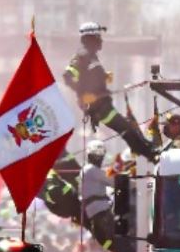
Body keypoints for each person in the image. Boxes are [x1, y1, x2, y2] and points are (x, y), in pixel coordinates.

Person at [63, 22, 158, 162]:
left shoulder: (91, 56)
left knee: (127, 128)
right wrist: (84, 94)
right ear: (90, 38)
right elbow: (68, 76)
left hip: (102, 104)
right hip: (98, 107)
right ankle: (150, 154)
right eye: (98, 37)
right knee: (126, 129)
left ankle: (149, 150)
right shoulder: (82, 56)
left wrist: (102, 78)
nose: (101, 40)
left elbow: (88, 78)